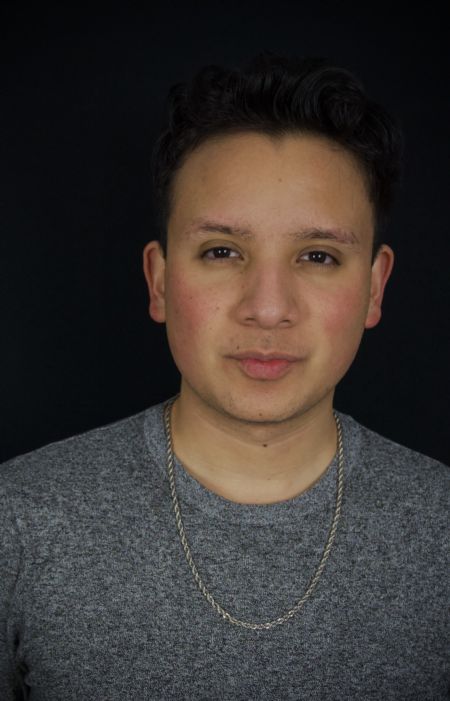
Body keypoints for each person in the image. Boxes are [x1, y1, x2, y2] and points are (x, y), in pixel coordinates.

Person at [1, 53, 448, 700]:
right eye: (222, 251)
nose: (267, 307)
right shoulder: (18, 520)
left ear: (375, 288)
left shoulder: (440, 529)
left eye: (318, 256)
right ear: (159, 281)